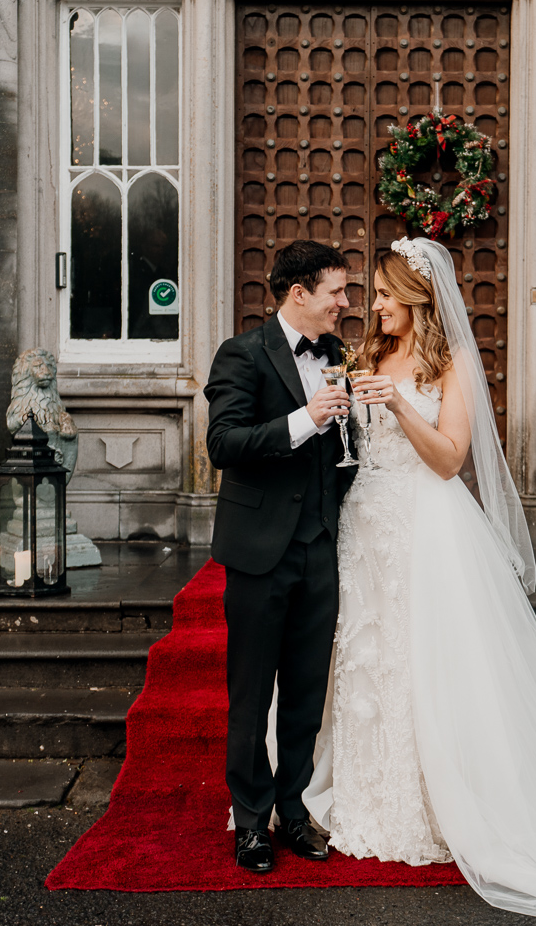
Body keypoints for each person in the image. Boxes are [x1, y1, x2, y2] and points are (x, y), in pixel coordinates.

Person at [302, 237, 536, 916]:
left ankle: (440, 802)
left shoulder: (452, 360)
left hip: (429, 526)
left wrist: (400, 407)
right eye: (371, 295)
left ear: (417, 299)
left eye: (382, 295)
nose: (372, 307)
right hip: (366, 525)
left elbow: (448, 459)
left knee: (429, 661)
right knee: (367, 659)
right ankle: (365, 791)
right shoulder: (368, 354)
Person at [204, 240, 356, 874]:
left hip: (321, 546)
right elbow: (224, 443)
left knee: (304, 691)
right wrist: (304, 418)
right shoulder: (241, 353)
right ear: (299, 293)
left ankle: (293, 812)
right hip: (260, 551)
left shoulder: (341, 356)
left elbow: (347, 454)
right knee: (251, 693)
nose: (346, 304)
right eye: (336, 293)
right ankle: (251, 823)